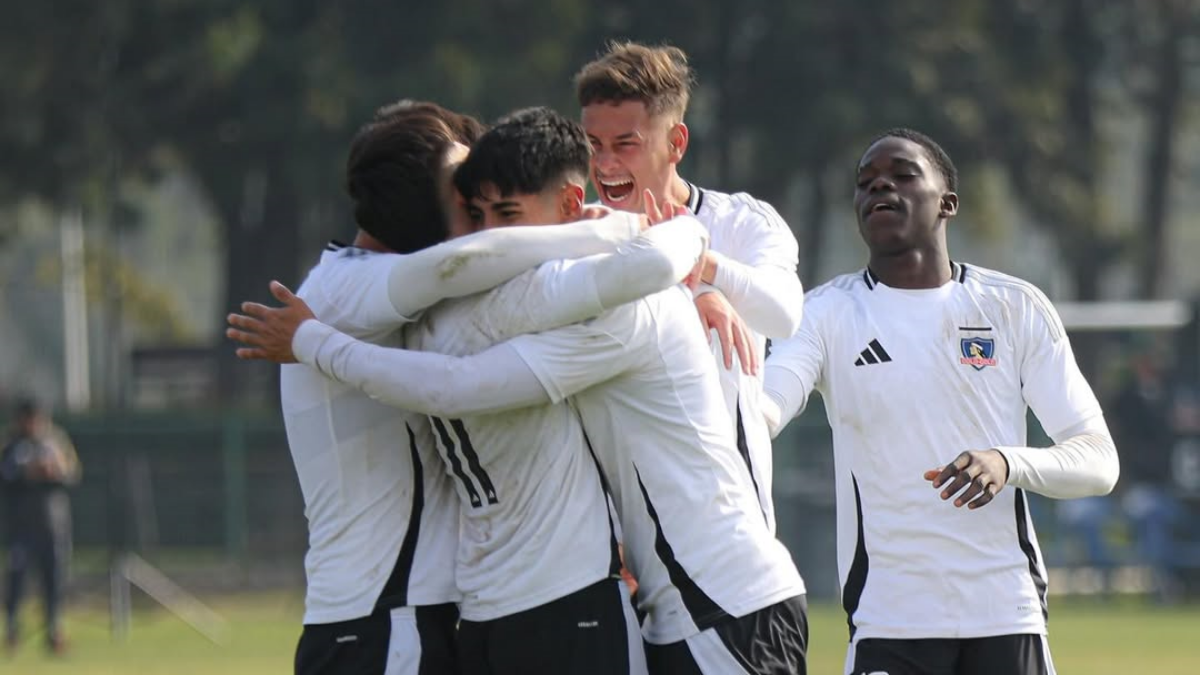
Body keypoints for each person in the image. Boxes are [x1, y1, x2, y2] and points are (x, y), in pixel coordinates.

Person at [227, 118, 809, 674]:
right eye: (473, 208)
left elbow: (471, 344)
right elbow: (470, 290)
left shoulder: (566, 305)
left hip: (715, 604)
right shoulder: (408, 293)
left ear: (565, 205)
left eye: (503, 211)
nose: (489, 232)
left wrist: (689, 269)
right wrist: (668, 242)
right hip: (464, 613)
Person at [762, 128, 1120, 675]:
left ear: (947, 203)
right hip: (890, 623)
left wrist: (1008, 461)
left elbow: (1098, 460)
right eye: (865, 182)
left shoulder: (1014, 307)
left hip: (1007, 615)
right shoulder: (824, 315)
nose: (879, 185)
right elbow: (764, 409)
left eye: (902, 174)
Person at [575, 41, 804, 531]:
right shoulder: (575, 242)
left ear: (676, 143)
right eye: (594, 145)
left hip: (727, 527)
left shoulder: (741, 222)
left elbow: (784, 314)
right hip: (610, 533)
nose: (606, 164)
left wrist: (705, 270)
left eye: (625, 144)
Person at [1, 397, 80, 655]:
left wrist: (54, 470)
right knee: (17, 579)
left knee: (54, 580)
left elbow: (72, 473)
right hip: (21, 528)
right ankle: (12, 630)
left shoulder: (55, 441)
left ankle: (53, 631)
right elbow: (6, 476)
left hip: (53, 526)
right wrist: (27, 472)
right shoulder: (12, 444)